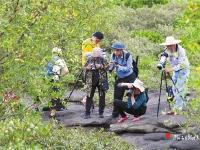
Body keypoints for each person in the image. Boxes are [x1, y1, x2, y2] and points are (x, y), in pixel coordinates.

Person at [160, 36, 190, 114]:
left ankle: (177, 109)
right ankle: (179, 105)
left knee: (179, 89)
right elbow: (166, 59)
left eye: (169, 45)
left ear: (174, 44)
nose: (168, 47)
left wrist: (170, 69)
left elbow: (181, 64)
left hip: (183, 69)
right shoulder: (167, 50)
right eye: (167, 45)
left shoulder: (181, 51)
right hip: (175, 70)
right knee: (174, 88)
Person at [109, 42, 136, 118]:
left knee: (133, 95)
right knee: (117, 96)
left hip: (130, 77)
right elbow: (112, 63)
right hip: (120, 78)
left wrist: (118, 66)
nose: (115, 52)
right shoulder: (113, 55)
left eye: (117, 50)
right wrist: (111, 65)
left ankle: (136, 113)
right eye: (114, 50)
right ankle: (115, 114)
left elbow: (128, 68)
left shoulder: (128, 56)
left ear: (121, 50)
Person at [83, 48, 109, 119]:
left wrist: (101, 66)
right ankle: (87, 113)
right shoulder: (89, 59)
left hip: (101, 80)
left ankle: (101, 113)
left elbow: (108, 68)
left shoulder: (103, 59)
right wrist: (87, 68)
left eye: (97, 56)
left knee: (102, 96)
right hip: (91, 80)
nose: (95, 57)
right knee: (89, 96)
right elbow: (84, 67)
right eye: (94, 56)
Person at [49, 47, 69, 118]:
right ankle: (52, 114)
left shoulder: (47, 59)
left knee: (43, 93)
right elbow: (66, 71)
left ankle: (35, 108)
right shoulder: (60, 60)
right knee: (54, 95)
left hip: (45, 79)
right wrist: (60, 76)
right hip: (55, 79)